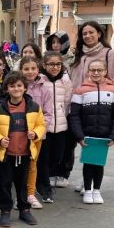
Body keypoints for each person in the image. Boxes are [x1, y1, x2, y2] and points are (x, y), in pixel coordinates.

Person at [0, 72, 46, 228]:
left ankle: (24, 209)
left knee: (23, 183)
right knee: (5, 183)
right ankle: (5, 211)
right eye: (12, 86)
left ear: (25, 88)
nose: (16, 89)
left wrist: (36, 134)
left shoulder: (33, 106)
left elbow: (41, 125)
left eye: (19, 85)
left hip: (25, 153)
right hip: (6, 154)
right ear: (7, 88)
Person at [70, 59, 114, 204]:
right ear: (88, 72)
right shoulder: (80, 91)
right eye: (93, 70)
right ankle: (88, 190)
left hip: (104, 135)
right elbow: (74, 116)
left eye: (99, 70)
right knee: (88, 163)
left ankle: (97, 190)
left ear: (105, 72)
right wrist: (79, 135)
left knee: (99, 164)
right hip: (87, 134)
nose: (96, 73)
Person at [19, 56, 53, 209]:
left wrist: (38, 131)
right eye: (26, 69)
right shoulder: (18, 85)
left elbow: (48, 113)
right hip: (18, 133)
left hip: (36, 134)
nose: (30, 71)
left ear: (38, 69)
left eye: (33, 68)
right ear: (21, 70)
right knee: (18, 165)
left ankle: (31, 194)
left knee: (32, 163)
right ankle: (20, 194)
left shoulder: (46, 87)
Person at [40, 51, 73, 195]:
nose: (55, 67)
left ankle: (47, 179)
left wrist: (62, 115)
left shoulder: (65, 80)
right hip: (44, 125)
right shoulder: (40, 80)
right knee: (44, 157)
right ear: (44, 65)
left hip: (60, 125)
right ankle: (44, 185)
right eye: (51, 64)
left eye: (58, 64)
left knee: (57, 156)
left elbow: (67, 102)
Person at [70, 21, 114, 90]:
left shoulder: (110, 54)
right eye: (84, 34)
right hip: (77, 98)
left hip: (99, 98)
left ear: (99, 34)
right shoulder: (79, 54)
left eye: (91, 32)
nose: (87, 36)